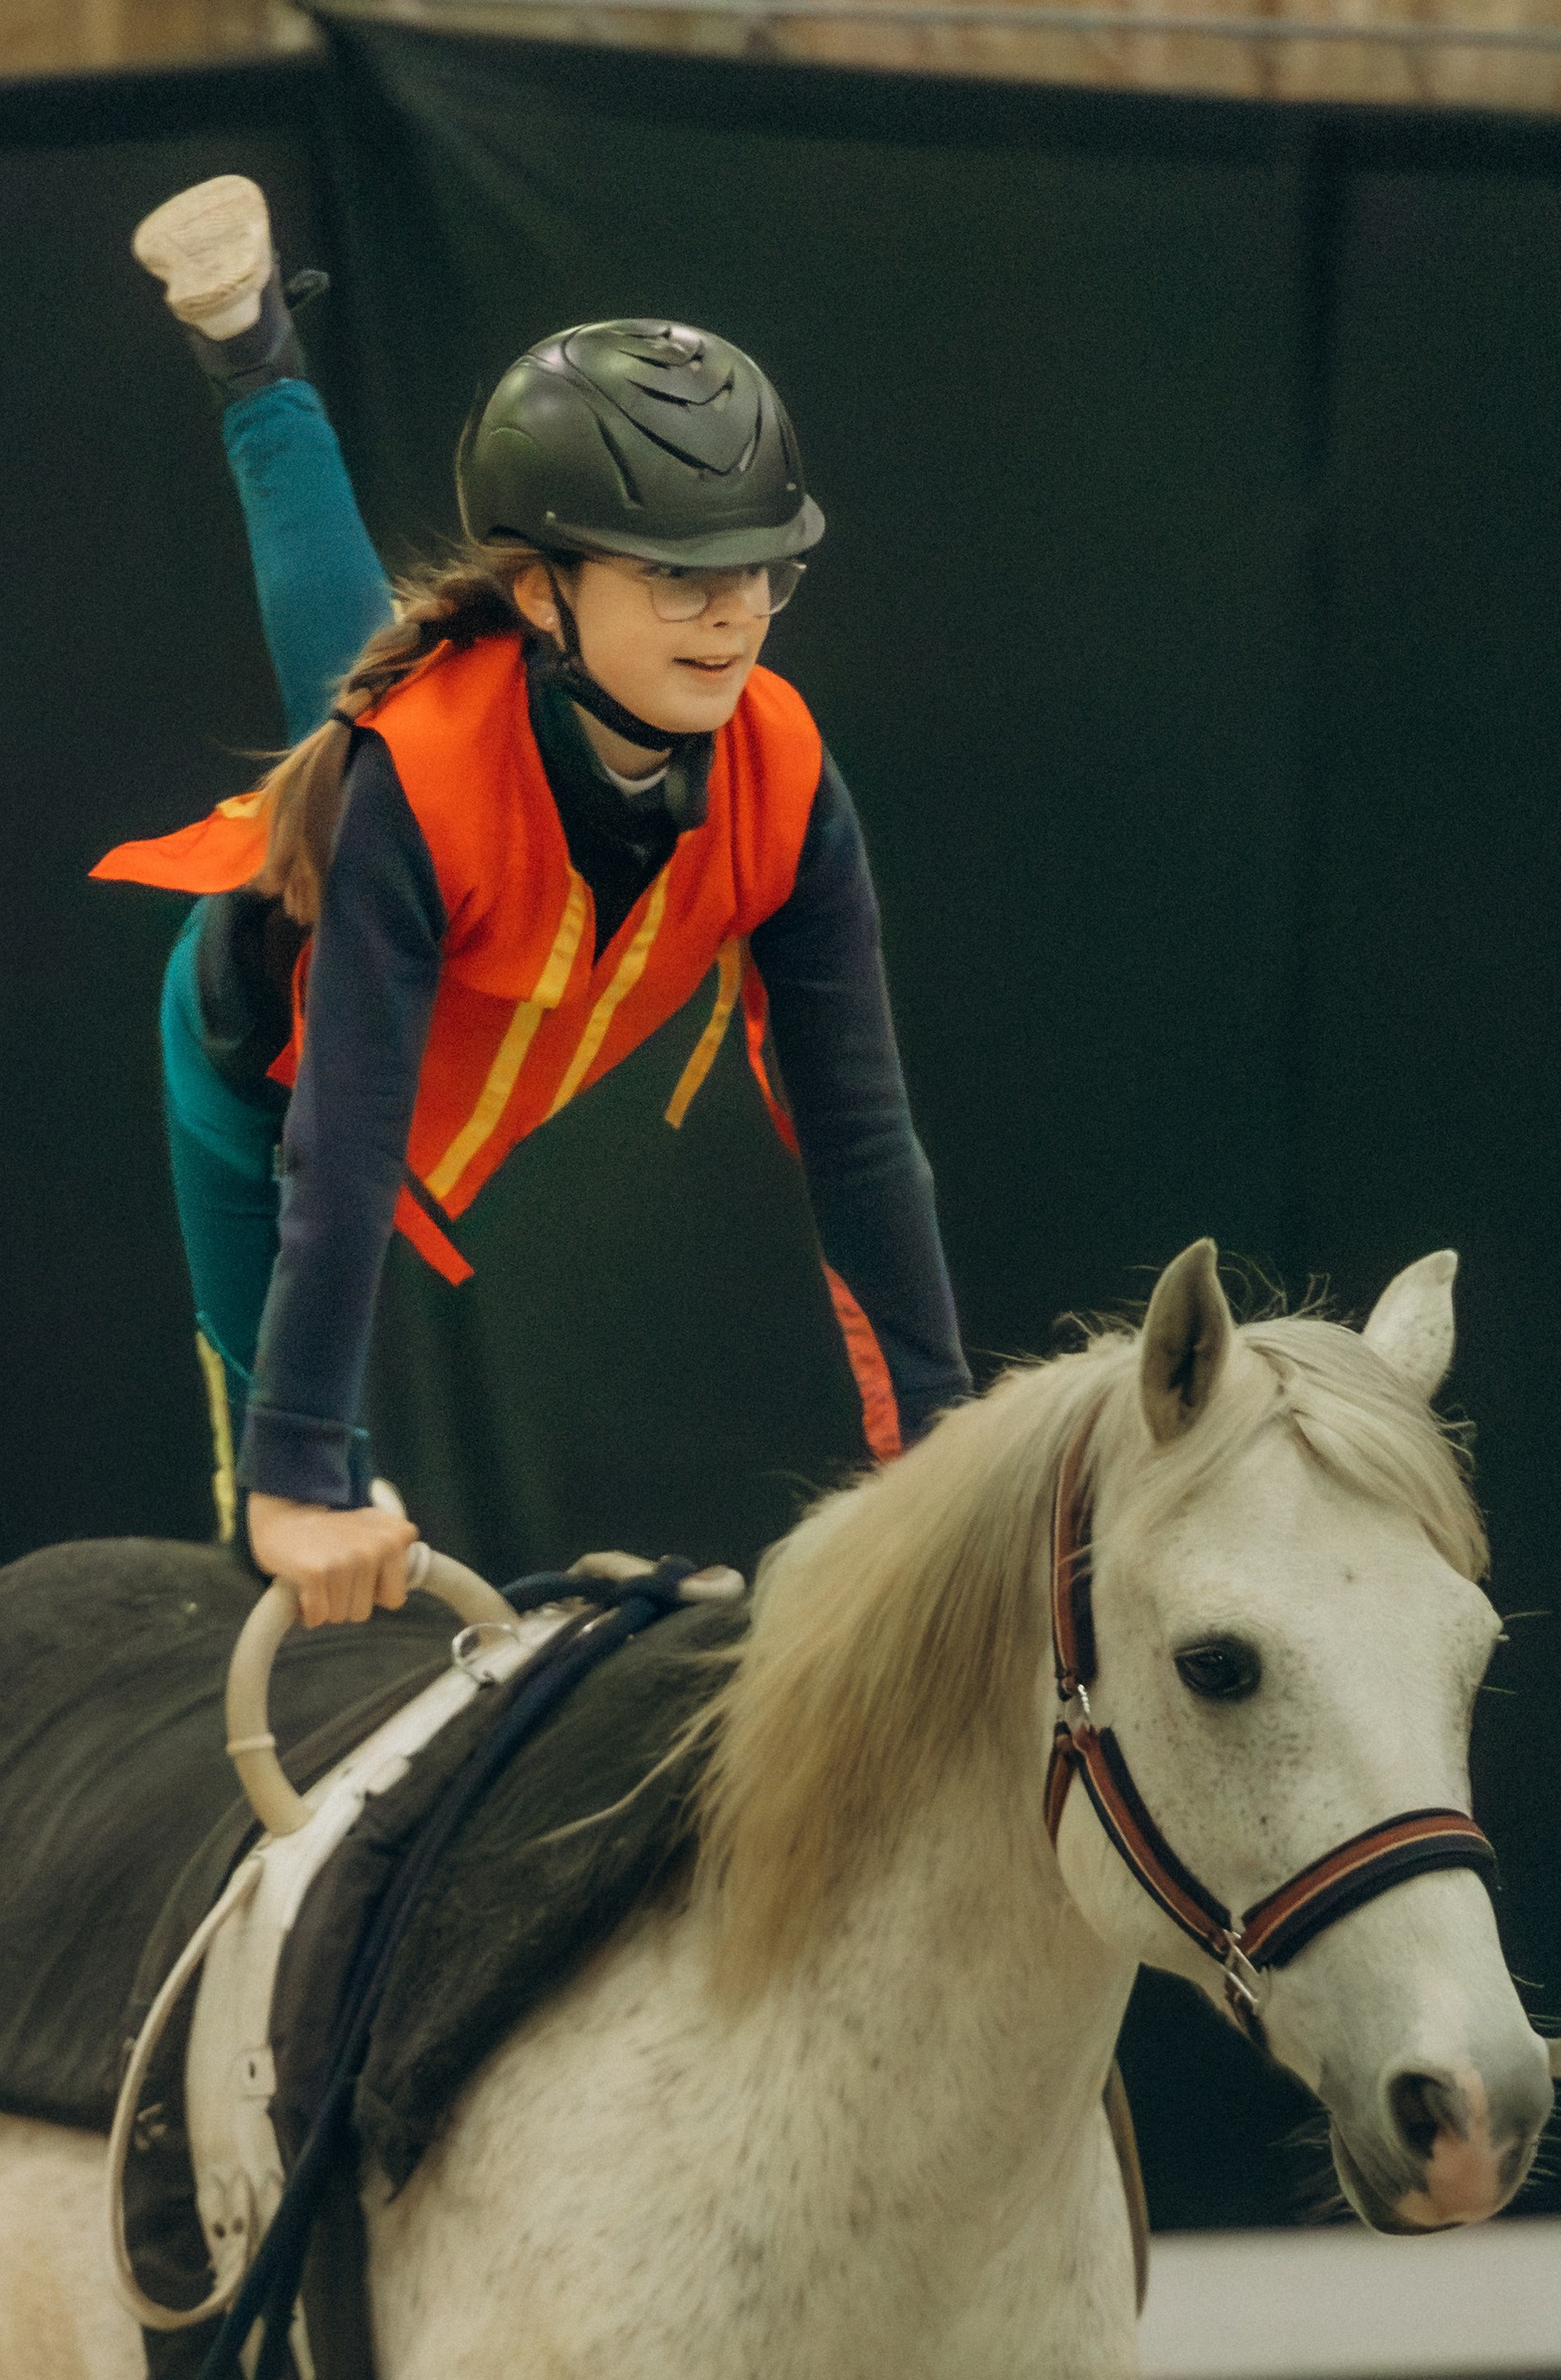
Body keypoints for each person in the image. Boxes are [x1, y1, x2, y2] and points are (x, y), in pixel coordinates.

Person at [103, 176, 971, 1624]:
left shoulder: (785, 770)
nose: (733, 612)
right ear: (543, 592)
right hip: (274, 1077)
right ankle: (248, 360)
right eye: (676, 575)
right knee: (312, 1542)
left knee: (355, 668)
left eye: (761, 568)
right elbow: (343, 1144)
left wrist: (941, 1452)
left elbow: (859, 1131)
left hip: (456, 929)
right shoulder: (418, 779)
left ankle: (248, 338)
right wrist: (304, 1470)